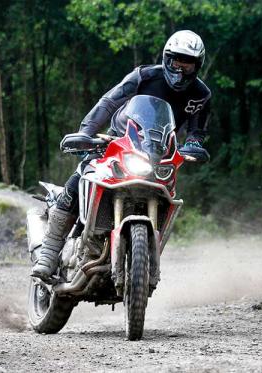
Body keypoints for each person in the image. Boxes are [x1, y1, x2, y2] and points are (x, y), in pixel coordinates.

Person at [31, 30, 211, 280]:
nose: (180, 68)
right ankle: (49, 252)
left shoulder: (201, 95)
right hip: (119, 141)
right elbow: (109, 102)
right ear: (166, 58)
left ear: (197, 65)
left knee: (169, 196)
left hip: (160, 154)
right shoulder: (144, 76)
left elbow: (197, 131)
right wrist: (87, 131)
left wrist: (193, 145)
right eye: (175, 60)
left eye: (187, 63)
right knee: (84, 173)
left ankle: (145, 257)